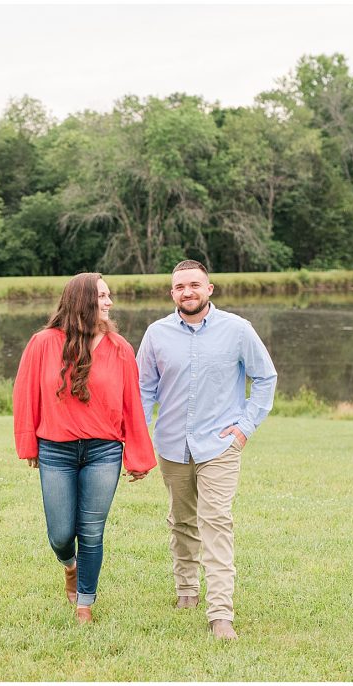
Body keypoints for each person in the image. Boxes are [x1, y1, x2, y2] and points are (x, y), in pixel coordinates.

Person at [136, 260, 277, 640]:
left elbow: (265, 377)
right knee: (181, 521)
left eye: (195, 285)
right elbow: (143, 390)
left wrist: (244, 428)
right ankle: (186, 591)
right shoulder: (156, 334)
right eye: (180, 286)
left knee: (215, 523)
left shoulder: (237, 330)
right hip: (171, 445)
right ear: (172, 293)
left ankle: (220, 615)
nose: (188, 292)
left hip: (219, 445)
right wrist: (136, 435)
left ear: (209, 289)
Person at [13, 272, 157, 624]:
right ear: (82, 301)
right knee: (61, 533)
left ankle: (84, 605)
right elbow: (25, 394)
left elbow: (131, 406)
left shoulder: (120, 348)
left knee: (92, 530)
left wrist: (138, 456)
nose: (109, 302)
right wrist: (28, 443)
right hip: (56, 450)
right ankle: (70, 565)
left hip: (103, 451)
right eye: (103, 296)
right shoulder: (43, 342)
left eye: (109, 296)